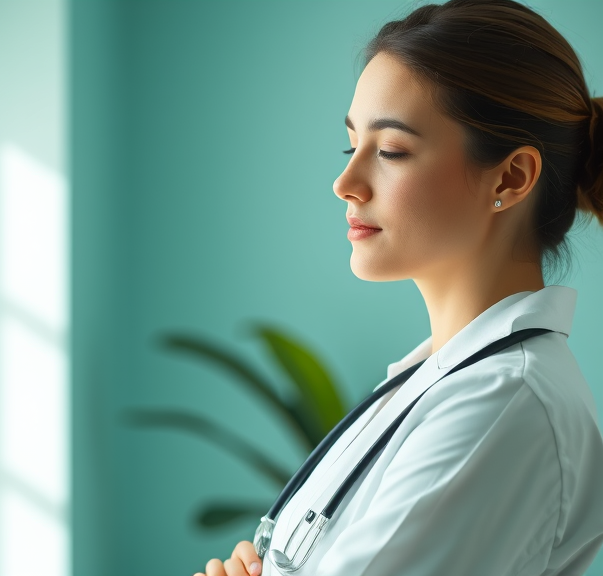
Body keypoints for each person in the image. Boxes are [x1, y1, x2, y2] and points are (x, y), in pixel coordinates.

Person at [194, 0, 603, 575]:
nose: (345, 183)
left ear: (510, 178)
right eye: (350, 145)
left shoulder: (501, 407)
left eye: (390, 151)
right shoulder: (444, 381)